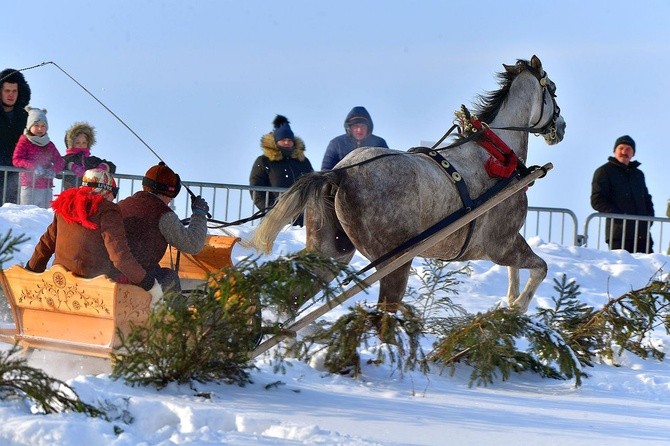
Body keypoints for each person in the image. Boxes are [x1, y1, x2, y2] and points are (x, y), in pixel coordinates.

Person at [26, 168, 161, 301]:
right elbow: (120, 258)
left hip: (59, 284)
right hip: (94, 291)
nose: (113, 199)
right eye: (113, 193)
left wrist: (30, 272)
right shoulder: (108, 211)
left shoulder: (65, 207)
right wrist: (148, 283)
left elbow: (46, 244)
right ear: (106, 191)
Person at [117, 162, 209, 307]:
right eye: (171, 196)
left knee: (157, 270)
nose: (170, 200)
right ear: (169, 193)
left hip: (113, 272)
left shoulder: (123, 204)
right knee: (168, 277)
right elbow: (193, 245)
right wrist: (199, 215)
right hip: (136, 278)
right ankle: (177, 322)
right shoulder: (163, 214)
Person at [591, 135, 655, 253]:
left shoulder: (638, 174)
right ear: (614, 150)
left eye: (628, 149)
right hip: (619, 233)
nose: (624, 152)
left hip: (642, 234)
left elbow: (646, 199)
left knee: (649, 269)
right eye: (621, 148)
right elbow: (597, 200)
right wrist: (620, 215)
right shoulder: (604, 171)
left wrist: (649, 218)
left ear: (633, 153)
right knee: (623, 269)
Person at [249, 115, 313, 226]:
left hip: (301, 219)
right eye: (283, 140)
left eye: (289, 140)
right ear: (276, 141)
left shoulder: (303, 161)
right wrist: (270, 210)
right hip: (274, 220)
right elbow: (256, 189)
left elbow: (312, 185)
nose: (287, 142)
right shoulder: (264, 161)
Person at [12, 107, 65, 208]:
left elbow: (60, 162)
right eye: (36, 125)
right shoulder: (24, 141)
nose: (40, 129)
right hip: (28, 186)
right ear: (29, 126)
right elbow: (16, 159)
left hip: (46, 187)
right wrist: (33, 166)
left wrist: (53, 170)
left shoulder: (49, 145)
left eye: (43, 126)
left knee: (43, 218)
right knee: (28, 216)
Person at [320, 106, 388, 171]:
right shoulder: (336, 144)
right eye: (356, 126)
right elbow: (325, 171)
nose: (359, 130)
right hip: (342, 182)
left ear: (368, 127)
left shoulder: (380, 143)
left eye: (363, 126)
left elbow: (388, 167)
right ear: (349, 128)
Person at [0, 68, 31, 204]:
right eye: (7, 91)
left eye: (14, 91)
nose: (11, 95)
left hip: (14, 175)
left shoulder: (26, 117)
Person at [61, 121, 117, 190]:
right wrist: (71, 166)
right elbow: (57, 167)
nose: (81, 145)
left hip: (89, 194)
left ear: (88, 144)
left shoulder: (92, 160)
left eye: (84, 142)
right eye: (77, 142)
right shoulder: (68, 158)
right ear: (72, 143)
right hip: (71, 194)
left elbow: (112, 166)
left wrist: (104, 167)